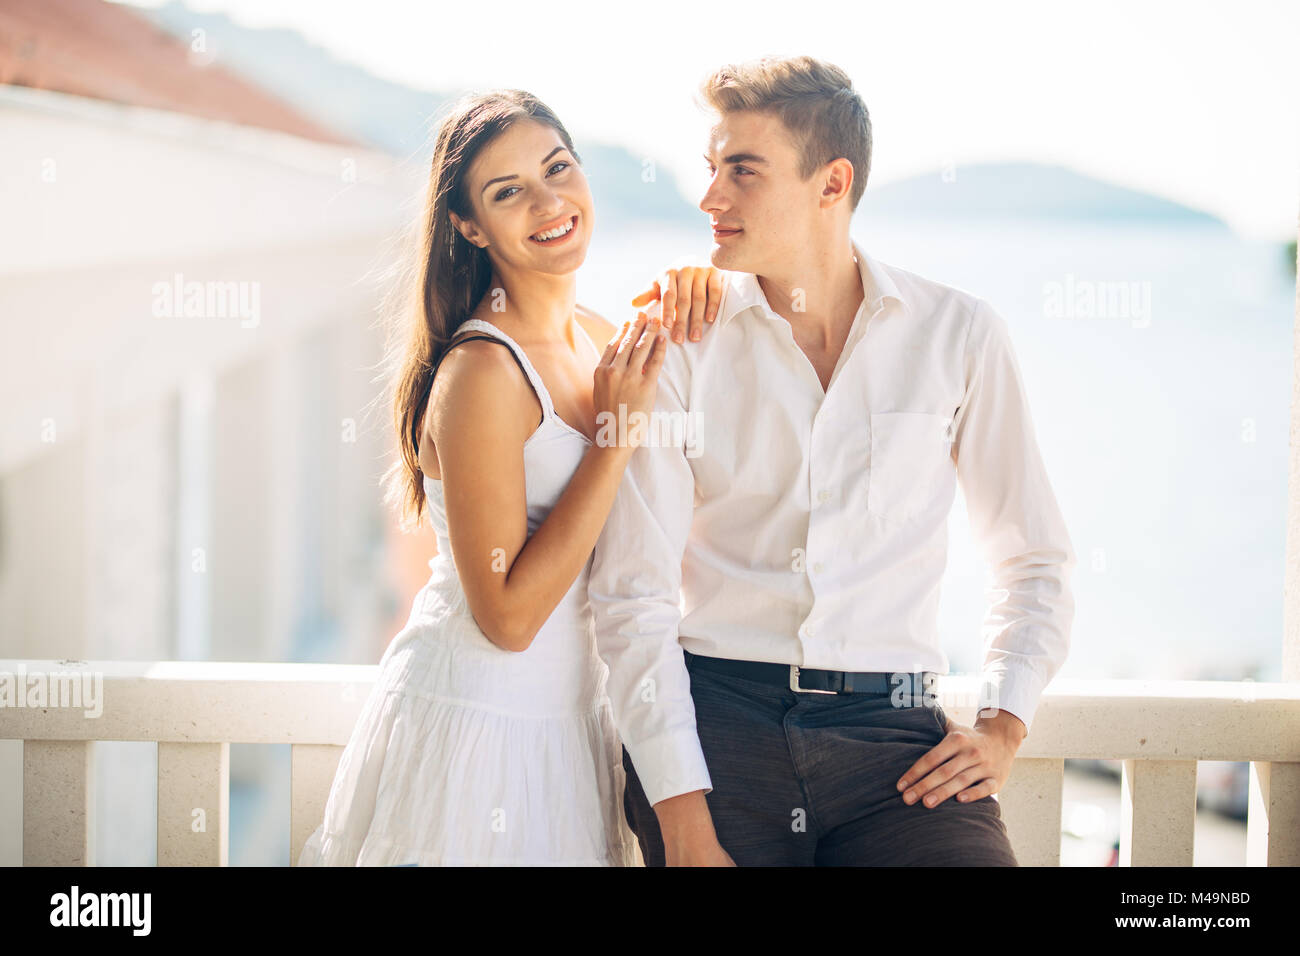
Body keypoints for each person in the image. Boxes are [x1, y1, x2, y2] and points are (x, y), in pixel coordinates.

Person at [588, 55, 1077, 866]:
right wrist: (682, 820)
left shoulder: (957, 335)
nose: (710, 197)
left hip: (898, 745)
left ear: (831, 182)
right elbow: (633, 595)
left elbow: (1033, 559)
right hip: (719, 730)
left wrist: (1003, 721)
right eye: (711, 169)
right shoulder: (679, 347)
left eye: (742, 171)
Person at [298, 88, 723, 866]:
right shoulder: (483, 372)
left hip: (571, 723)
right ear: (468, 225)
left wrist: (711, 287)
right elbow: (508, 618)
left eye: (558, 167)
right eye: (508, 191)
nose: (548, 200)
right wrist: (616, 434)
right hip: (480, 724)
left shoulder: (602, 337)